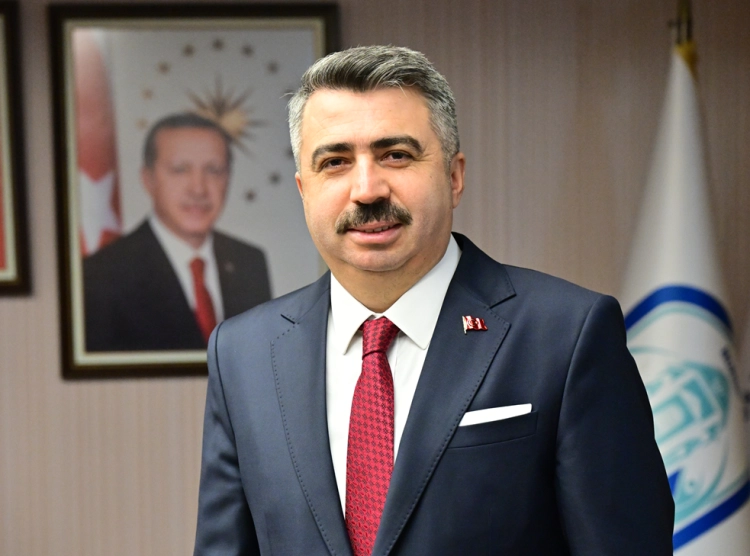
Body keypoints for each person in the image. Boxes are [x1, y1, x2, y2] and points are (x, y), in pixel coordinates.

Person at [194, 46, 674, 555]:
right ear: (303, 190)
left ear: (454, 176)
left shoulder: (566, 334)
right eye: (335, 162)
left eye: (396, 155)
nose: (367, 190)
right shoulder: (242, 354)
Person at [83, 113, 271, 352]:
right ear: (148, 179)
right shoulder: (102, 275)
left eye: (214, 170)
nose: (198, 189)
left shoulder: (249, 262)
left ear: (228, 178)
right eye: (180, 170)